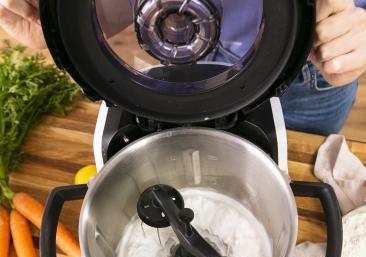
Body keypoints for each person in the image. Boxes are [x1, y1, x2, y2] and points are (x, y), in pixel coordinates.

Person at [1, 0, 365, 135]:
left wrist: (358, 29)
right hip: (180, 65)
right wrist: (67, 27)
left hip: (308, 62)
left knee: (305, 163)